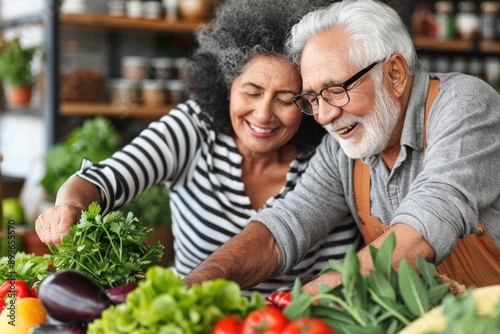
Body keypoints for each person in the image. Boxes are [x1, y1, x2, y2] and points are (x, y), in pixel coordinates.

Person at [35, 0, 362, 295]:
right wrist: (72, 207)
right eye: (251, 92)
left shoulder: (331, 147)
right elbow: (104, 181)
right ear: (225, 87)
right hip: (198, 317)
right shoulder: (193, 128)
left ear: (309, 100)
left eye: (285, 99)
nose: (263, 114)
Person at [184, 0, 500, 293]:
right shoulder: (345, 147)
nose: (323, 115)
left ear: (395, 74)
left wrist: (306, 299)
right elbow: (284, 226)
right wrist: (198, 284)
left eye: (335, 90)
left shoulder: (465, 104)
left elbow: (427, 221)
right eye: (312, 98)